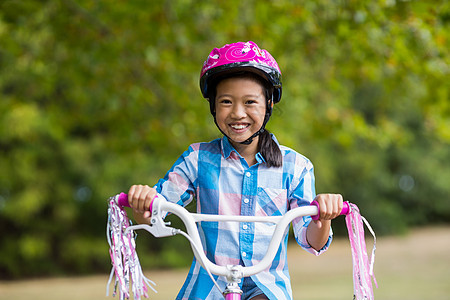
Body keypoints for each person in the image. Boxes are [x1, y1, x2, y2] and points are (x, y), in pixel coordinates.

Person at [128, 41, 343, 300]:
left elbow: (313, 241)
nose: (238, 113)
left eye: (250, 102)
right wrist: (144, 202)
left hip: (267, 288)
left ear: (269, 104)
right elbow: (155, 213)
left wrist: (323, 217)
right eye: (227, 102)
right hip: (209, 286)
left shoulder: (296, 167)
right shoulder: (198, 159)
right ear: (213, 107)